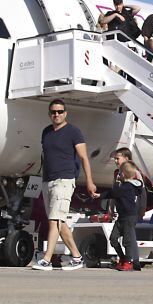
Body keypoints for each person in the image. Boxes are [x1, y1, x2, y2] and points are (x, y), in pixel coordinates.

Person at [33, 99, 99, 271]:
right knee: (59, 222)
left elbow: (84, 158)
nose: (57, 114)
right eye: (54, 112)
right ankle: (77, 257)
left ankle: (46, 259)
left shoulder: (73, 132)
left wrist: (90, 181)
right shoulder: (46, 132)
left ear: (66, 113)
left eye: (60, 111)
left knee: (55, 220)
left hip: (64, 180)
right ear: (49, 114)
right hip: (48, 180)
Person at [109, 160, 144, 271]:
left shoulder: (134, 182)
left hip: (130, 216)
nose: (115, 161)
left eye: (117, 158)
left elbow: (141, 193)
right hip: (121, 216)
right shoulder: (119, 181)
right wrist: (111, 207)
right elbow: (114, 194)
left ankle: (131, 262)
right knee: (113, 238)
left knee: (128, 241)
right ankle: (123, 258)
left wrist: (142, 209)